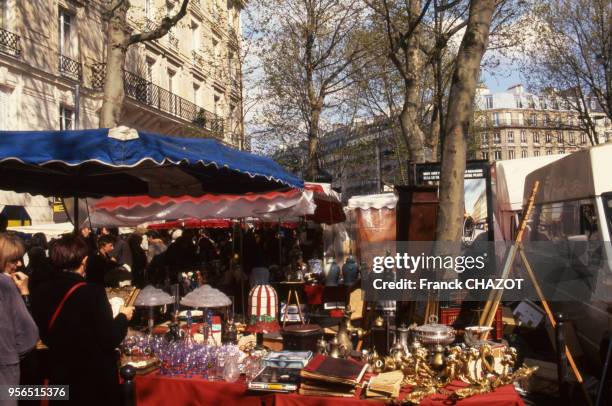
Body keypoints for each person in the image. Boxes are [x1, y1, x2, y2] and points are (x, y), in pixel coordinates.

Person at [30, 234, 133, 406]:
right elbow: (110, 338)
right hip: (93, 380)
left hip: (61, 375)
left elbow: (45, 335)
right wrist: (123, 316)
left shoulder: (40, 292)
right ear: (84, 260)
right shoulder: (93, 292)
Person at [0, 234, 39, 406]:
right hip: (5, 367)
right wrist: (25, 293)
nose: (20, 264)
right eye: (14, 260)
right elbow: (28, 336)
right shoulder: (6, 285)